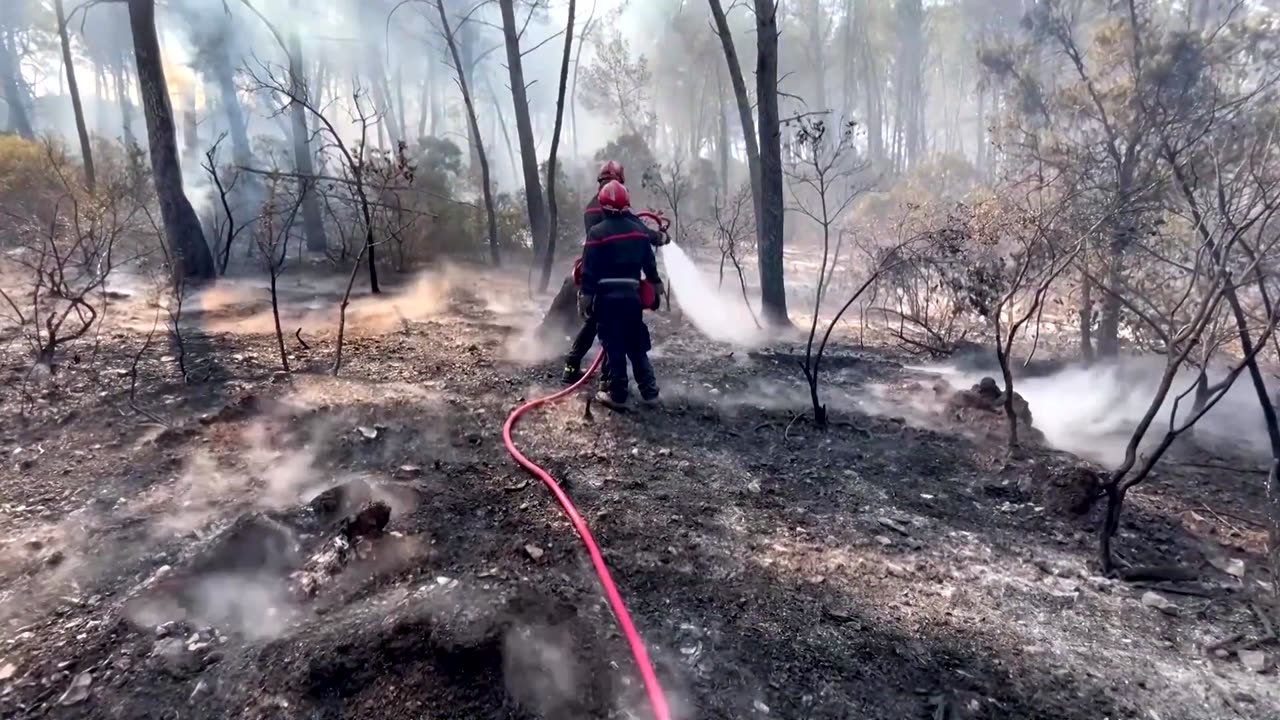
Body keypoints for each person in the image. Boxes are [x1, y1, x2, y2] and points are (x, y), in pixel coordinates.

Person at [578, 180, 664, 410]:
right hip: (631, 299)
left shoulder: (596, 233)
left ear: (603, 207)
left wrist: (585, 300)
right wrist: (656, 288)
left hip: (607, 301)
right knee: (636, 345)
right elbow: (650, 266)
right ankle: (650, 392)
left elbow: (588, 271)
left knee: (614, 347)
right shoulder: (639, 232)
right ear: (626, 205)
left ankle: (618, 396)